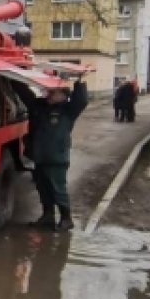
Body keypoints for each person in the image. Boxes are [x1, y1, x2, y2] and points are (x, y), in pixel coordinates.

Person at [27, 77, 88, 231]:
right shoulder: (41, 107)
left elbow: (81, 100)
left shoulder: (68, 110)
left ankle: (66, 219)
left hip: (56, 157)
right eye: (50, 92)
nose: (50, 95)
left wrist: (79, 81)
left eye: (54, 92)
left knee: (58, 189)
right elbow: (26, 97)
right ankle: (47, 216)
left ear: (63, 95)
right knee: (43, 188)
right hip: (39, 156)